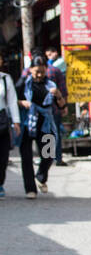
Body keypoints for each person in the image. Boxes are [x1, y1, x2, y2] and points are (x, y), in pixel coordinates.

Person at [17, 57, 66, 199]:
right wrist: (22, 102)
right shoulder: (23, 84)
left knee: (49, 154)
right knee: (26, 157)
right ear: (31, 69)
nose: (39, 75)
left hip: (46, 123)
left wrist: (58, 95)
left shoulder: (51, 84)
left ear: (46, 69)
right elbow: (12, 100)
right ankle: (30, 189)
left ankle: (41, 177)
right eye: (37, 71)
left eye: (42, 72)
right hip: (27, 123)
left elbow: (62, 106)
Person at [43, 49, 68, 165]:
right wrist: (64, 106)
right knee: (55, 131)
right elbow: (63, 90)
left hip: (42, 109)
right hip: (55, 107)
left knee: (46, 133)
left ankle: (47, 158)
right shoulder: (55, 70)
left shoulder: (32, 72)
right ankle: (58, 158)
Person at [1, 65, 20, 198]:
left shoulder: (5, 79)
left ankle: (0, 183)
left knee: (2, 155)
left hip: (1, 119)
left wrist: (16, 121)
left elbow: (12, 101)